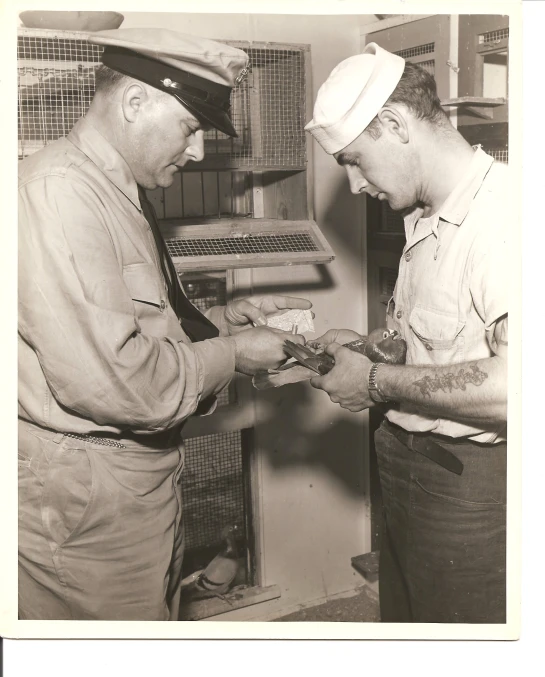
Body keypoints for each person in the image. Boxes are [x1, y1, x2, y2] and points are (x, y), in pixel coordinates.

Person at [18, 28, 309, 621]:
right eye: (190, 127)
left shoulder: (113, 187)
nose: (198, 151)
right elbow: (114, 383)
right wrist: (234, 355)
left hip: (127, 476)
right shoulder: (61, 194)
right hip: (90, 490)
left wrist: (222, 326)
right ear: (133, 103)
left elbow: (127, 323)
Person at [305, 43, 509, 623]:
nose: (352, 185)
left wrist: (373, 379)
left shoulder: (505, 218)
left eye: (354, 160)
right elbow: (439, 340)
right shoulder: (423, 212)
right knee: (408, 626)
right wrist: (374, 347)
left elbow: (519, 384)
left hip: (468, 486)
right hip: (405, 460)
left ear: (394, 124)